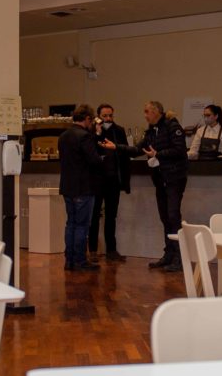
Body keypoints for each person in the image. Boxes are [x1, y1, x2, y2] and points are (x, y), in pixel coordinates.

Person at [101, 100, 188, 272]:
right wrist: (115, 147)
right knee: (165, 218)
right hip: (160, 180)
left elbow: (180, 150)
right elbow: (136, 150)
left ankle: (179, 258)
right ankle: (168, 255)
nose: (145, 115)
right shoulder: (151, 132)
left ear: (156, 112)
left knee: (173, 217)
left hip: (174, 178)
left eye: (147, 112)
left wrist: (158, 154)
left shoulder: (172, 126)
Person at [58, 104, 105, 271]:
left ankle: (69, 260)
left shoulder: (63, 136)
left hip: (67, 186)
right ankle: (79, 260)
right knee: (81, 225)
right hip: (83, 187)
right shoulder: (84, 136)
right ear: (87, 118)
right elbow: (94, 160)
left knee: (70, 223)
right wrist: (102, 158)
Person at [88, 103, 131, 262]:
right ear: (98, 116)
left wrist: (125, 181)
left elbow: (124, 153)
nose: (108, 118)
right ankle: (92, 250)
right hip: (97, 180)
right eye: (104, 116)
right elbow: (90, 151)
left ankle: (111, 250)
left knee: (111, 216)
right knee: (94, 216)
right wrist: (97, 133)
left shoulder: (118, 130)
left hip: (113, 179)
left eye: (110, 115)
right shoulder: (92, 131)